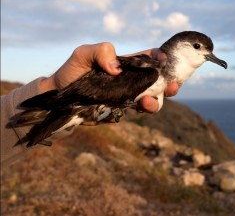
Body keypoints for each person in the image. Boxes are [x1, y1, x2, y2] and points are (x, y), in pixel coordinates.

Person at [1, 42, 179, 167]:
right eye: (198, 47)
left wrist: (54, 85)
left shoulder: (150, 72)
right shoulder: (149, 72)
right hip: (74, 105)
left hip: (76, 104)